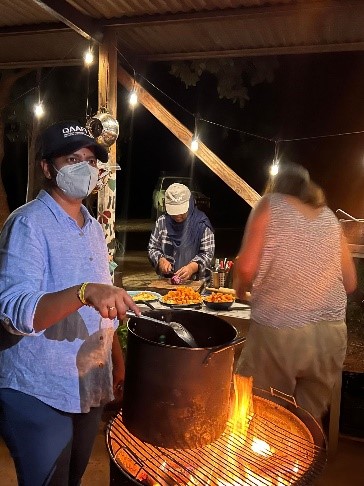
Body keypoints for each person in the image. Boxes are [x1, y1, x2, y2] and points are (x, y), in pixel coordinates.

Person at [0, 120, 140, 486]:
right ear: (47, 167)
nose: (85, 169)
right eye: (72, 159)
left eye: (91, 161)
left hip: (87, 383)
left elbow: (104, 303)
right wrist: (82, 292)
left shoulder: (92, 227)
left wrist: (115, 359)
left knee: (72, 478)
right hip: (38, 389)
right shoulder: (28, 224)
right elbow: (14, 311)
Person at [233, 162, 357, 423]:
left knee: (261, 413)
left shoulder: (269, 205)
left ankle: (260, 464)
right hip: (330, 338)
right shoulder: (329, 218)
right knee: (305, 425)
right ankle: (303, 464)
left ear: (277, 187)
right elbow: (350, 283)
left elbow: (245, 268)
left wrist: (240, 288)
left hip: (280, 334)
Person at [148, 182, 215, 282]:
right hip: (167, 283)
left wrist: (192, 268)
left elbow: (207, 254)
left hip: (197, 283)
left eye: (181, 211)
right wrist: (161, 260)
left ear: (189, 203)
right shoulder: (162, 222)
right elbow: (153, 248)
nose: (178, 215)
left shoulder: (201, 224)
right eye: (173, 212)